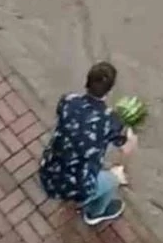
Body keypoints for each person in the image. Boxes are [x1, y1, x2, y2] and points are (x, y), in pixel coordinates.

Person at [39, 62, 137, 226]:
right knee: (115, 178)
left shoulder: (68, 100)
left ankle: (71, 195)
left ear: (87, 81)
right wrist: (132, 137)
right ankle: (95, 213)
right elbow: (126, 148)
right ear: (109, 90)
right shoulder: (110, 121)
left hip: (48, 173)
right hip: (79, 186)